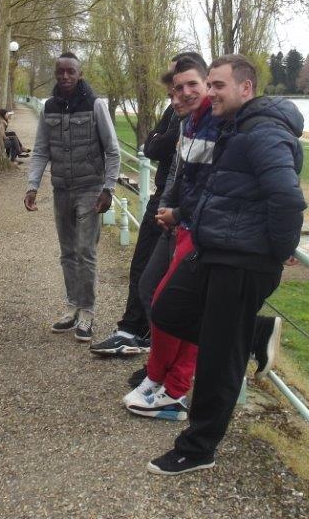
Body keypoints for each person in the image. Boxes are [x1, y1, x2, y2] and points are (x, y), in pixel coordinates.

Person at [146, 54, 305, 475]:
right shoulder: (237, 128)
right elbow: (219, 190)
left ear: (245, 88)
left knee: (218, 360)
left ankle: (198, 449)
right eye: (211, 84)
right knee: (167, 310)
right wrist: (183, 215)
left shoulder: (265, 132)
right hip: (213, 248)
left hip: (243, 261)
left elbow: (287, 199)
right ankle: (253, 333)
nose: (210, 93)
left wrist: (276, 254)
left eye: (218, 86)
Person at [89, 52, 201, 357]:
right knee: (146, 273)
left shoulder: (194, 119)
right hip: (165, 198)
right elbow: (151, 146)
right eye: (173, 86)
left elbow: (163, 148)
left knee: (163, 281)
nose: (177, 92)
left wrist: (161, 140)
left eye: (182, 81)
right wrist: (160, 140)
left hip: (177, 206)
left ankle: (147, 339)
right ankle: (137, 333)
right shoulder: (175, 110)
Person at [24, 52, 120, 342]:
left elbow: (113, 150)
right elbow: (41, 150)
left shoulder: (95, 105)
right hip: (62, 190)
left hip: (90, 189)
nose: (65, 76)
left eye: (71, 71)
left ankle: (87, 311)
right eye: (60, 71)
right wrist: (32, 186)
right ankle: (72, 307)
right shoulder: (49, 107)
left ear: (80, 74)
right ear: (55, 74)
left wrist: (108, 189)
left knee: (85, 251)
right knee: (67, 252)